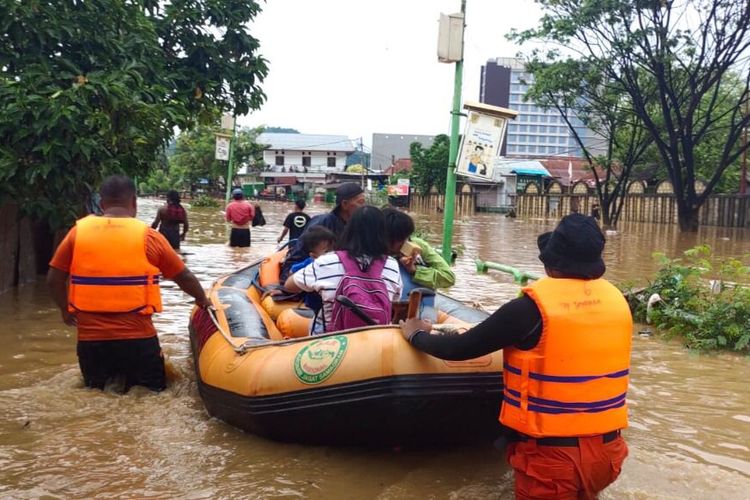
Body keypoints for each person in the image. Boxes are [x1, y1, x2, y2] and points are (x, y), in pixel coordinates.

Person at [400, 214, 631, 499]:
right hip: (609, 453)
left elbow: (459, 349)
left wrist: (415, 334)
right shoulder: (617, 302)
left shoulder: (528, 311)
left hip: (553, 458)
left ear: (550, 263)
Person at [47, 175, 210, 393]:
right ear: (134, 202)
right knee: (151, 396)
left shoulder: (77, 233)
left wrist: (65, 311)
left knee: (96, 396)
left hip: (91, 341)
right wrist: (202, 299)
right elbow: (184, 276)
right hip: (138, 339)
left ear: (102, 203)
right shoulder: (149, 237)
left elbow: (53, 279)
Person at [284, 206, 402, 334]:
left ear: (348, 230)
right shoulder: (392, 265)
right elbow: (395, 299)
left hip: (330, 341)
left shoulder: (326, 261)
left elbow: (289, 286)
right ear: (383, 234)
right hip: (374, 342)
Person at [280, 182, 366, 279]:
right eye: (361, 202)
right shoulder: (321, 224)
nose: (364, 207)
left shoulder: (358, 227)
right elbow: (297, 258)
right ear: (345, 204)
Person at [382, 207, 455, 293]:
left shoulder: (418, 246)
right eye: (401, 239)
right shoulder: (372, 252)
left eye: (406, 237)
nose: (405, 242)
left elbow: (448, 277)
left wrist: (414, 270)